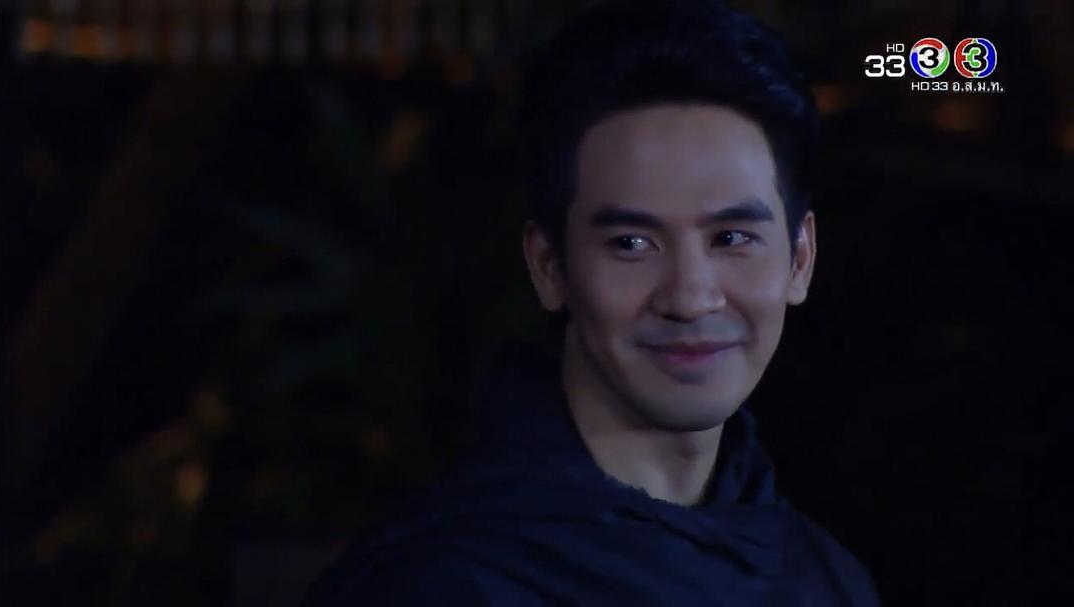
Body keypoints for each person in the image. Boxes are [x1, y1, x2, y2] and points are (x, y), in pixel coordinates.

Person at [302, 0, 881, 604]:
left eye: (731, 239)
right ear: (549, 267)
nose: (689, 298)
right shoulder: (434, 583)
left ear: (799, 259)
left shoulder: (825, 580)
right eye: (632, 243)